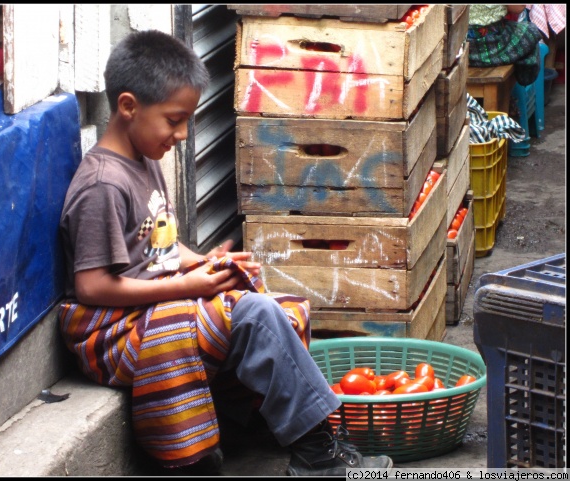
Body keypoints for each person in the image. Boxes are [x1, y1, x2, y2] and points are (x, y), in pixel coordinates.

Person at [57, 29, 393, 476]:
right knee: (252, 316)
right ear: (127, 106)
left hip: (149, 308)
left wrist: (202, 262)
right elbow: (91, 285)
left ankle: (250, 427)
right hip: (113, 332)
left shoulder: (144, 160)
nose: (180, 134)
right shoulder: (103, 183)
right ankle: (318, 456)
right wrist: (188, 285)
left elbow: (158, 244)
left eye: (187, 122)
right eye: (174, 120)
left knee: (277, 307)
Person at [466, 4, 544, 86]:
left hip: (461, 47)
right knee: (531, 31)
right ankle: (525, 77)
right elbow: (518, 8)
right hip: (490, 44)